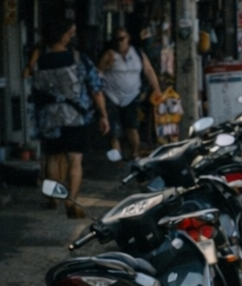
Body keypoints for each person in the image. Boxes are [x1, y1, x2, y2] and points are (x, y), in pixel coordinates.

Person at [26, 22, 109, 218]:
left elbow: (34, 91)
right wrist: (103, 114)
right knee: (75, 160)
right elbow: (96, 89)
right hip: (76, 118)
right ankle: (71, 200)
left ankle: (53, 198)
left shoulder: (40, 62)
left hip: (50, 119)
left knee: (53, 158)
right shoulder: (79, 59)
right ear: (63, 38)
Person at [97, 28, 161, 161]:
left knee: (132, 126)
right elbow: (98, 73)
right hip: (112, 96)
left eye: (122, 39)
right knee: (114, 129)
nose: (119, 43)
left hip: (132, 96)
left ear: (128, 38)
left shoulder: (138, 53)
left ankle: (135, 153)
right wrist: (99, 92)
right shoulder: (109, 55)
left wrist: (157, 89)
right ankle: (117, 156)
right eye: (116, 40)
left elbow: (148, 70)